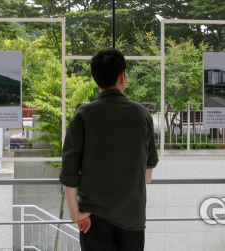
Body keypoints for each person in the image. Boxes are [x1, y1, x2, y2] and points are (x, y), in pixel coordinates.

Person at [60, 48, 158, 251]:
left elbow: (70, 172)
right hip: (132, 216)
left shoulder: (83, 114)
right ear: (123, 76)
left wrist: (75, 214)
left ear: (95, 78)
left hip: (94, 218)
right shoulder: (142, 114)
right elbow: (147, 176)